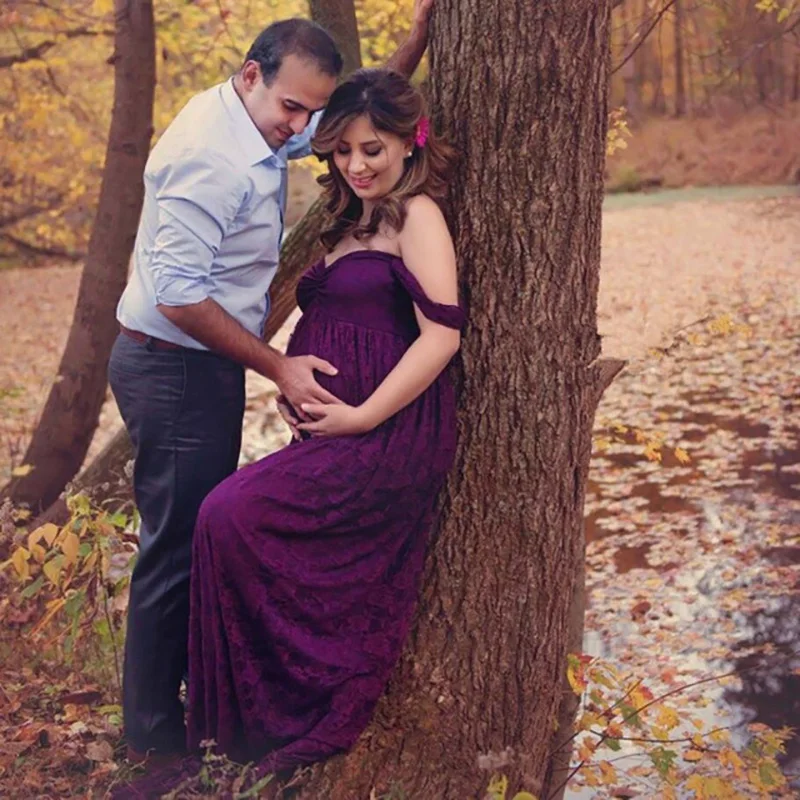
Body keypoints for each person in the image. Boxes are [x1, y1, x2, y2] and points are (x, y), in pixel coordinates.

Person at [108, 6, 433, 765]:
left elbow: (354, 119)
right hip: (173, 366)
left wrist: (415, 43)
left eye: (311, 112)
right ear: (250, 75)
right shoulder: (209, 157)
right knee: (177, 547)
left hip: (196, 366)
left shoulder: (256, 120)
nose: (300, 127)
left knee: (189, 537)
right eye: (292, 108)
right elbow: (177, 297)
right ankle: (154, 742)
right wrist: (279, 365)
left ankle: (184, 706)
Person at [185, 66, 463, 781]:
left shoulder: (417, 216)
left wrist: (362, 415)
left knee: (228, 513)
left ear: (409, 140)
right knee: (226, 523)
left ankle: (290, 708)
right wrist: (295, 385)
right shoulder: (348, 218)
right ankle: (258, 714)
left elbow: (441, 337)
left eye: (372, 149)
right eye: (342, 151)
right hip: (333, 429)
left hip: (390, 434)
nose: (356, 165)